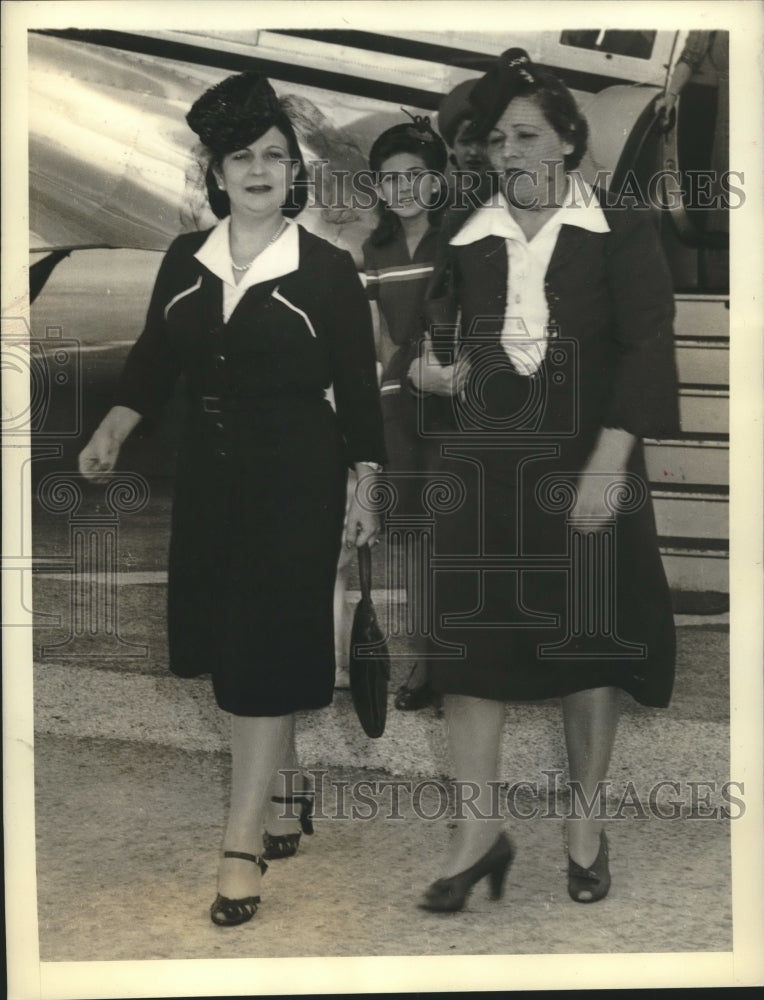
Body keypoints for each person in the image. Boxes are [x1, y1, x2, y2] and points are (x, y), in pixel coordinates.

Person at [78, 71, 386, 927]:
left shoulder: (327, 273)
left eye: (275, 156)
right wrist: (115, 422)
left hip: (297, 481)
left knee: (259, 648)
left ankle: (240, 847)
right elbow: (152, 357)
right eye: (241, 156)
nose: (259, 170)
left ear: (296, 174)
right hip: (210, 482)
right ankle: (287, 791)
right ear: (215, 173)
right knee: (234, 643)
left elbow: (361, 401)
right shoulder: (185, 261)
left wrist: (368, 486)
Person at [409, 49, 679, 910]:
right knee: (469, 651)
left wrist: (609, 465)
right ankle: (476, 834)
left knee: (586, 647)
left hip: (586, 462)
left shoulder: (624, 229)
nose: (509, 154)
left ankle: (585, 824)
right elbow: (436, 339)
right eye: (495, 142)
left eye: (526, 136)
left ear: (568, 141)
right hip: (485, 469)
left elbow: (647, 349)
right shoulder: (466, 235)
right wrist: (433, 369)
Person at [359, 116, 449, 711]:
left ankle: (459, 663)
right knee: (414, 543)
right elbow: (376, 340)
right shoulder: (376, 249)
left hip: (452, 405)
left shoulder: (462, 238)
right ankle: (422, 667)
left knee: (456, 540)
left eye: (415, 176)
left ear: (437, 182)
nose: (403, 189)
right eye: (390, 180)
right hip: (400, 407)